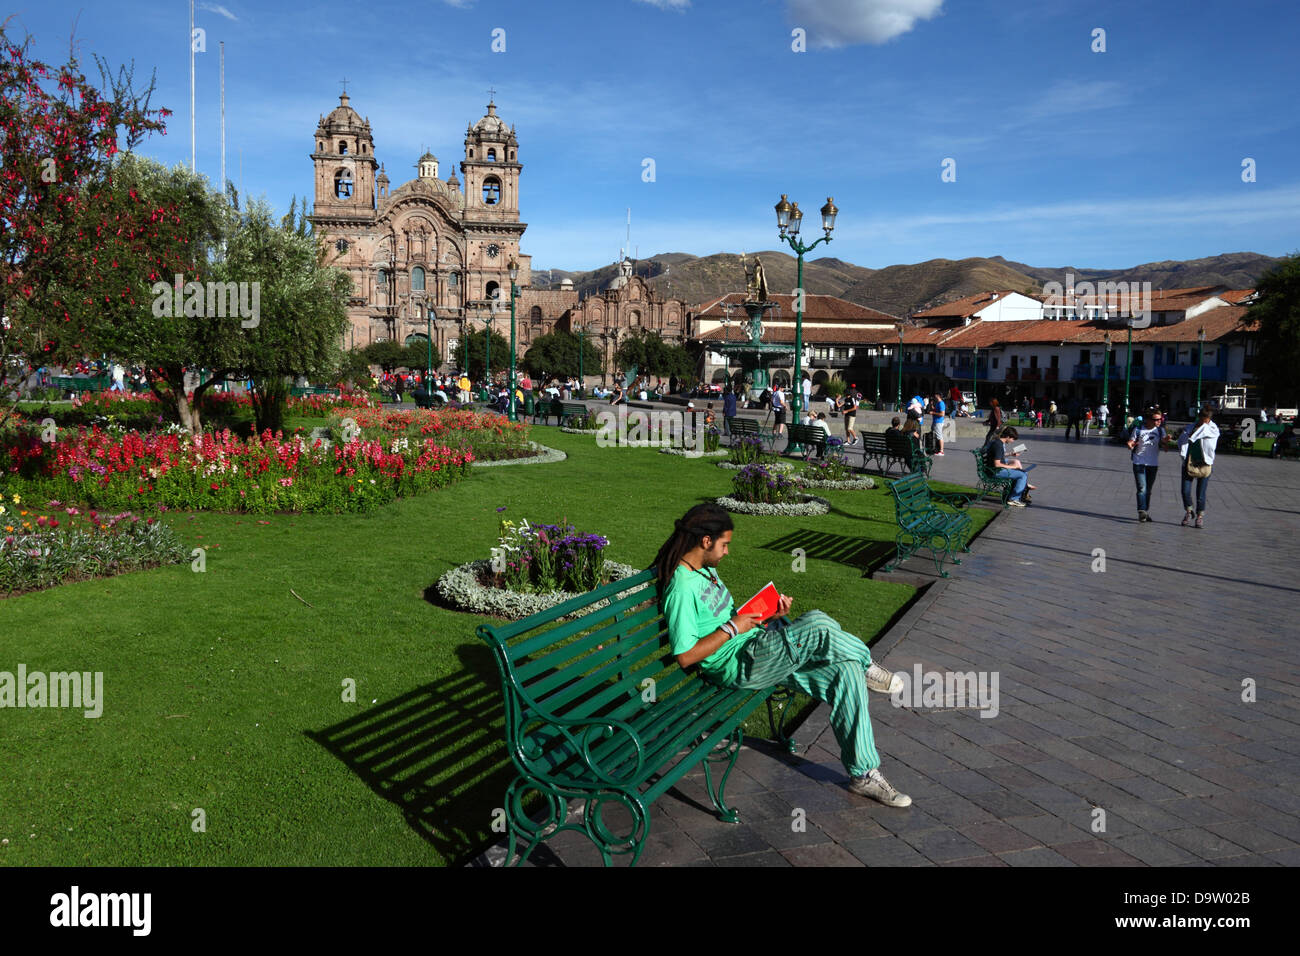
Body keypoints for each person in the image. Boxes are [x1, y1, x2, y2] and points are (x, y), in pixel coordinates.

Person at [656, 504, 912, 807]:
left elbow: (730, 624)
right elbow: (685, 655)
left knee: (846, 674)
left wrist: (764, 616)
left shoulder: (705, 571)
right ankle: (867, 662)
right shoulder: (682, 587)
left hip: (758, 649)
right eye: (725, 545)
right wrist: (732, 627)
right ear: (706, 542)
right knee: (817, 622)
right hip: (739, 665)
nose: (727, 552)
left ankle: (864, 774)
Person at [1178, 408, 1219, 528]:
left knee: (1200, 493)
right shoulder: (1191, 427)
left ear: (1209, 419)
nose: (1203, 423)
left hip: (1204, 463)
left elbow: (1205, 432)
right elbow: (1183, 439)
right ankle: (1189, 511)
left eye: (1206, 420)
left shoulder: (1212, 429)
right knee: (1185, 491)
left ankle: (1200, 516)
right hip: (1189, 462)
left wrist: (1194, 435)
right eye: (1202, 420)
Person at [1126, 406, 1167, 523]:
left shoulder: (1160, 431)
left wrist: (1165, 442)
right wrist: (1130, 444)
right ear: (1148, 420)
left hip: (1153, 464)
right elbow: (1131, 442)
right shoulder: (1138, 429)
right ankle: (1141, 511)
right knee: (1142, 488)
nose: (1159, 421)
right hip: (1139, 462)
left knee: (1148, 490)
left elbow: (1165, 448)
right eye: (1156, 419)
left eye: (1160, 419)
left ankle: (1145, 512)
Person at [982, 426, 1033, 507]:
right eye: (1012, 439)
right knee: (1022, 474)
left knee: (1023, 472)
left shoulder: (998, 442)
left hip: (993, 469)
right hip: (995, 472)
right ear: (1008, 437)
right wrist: (1013, 467)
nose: (1012, 441)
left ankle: (1019, 493)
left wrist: (1010, 454)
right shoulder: (998, 445)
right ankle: (1014, 499)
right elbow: (997, 464)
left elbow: (999, 456)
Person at [930, 392, 947, 456]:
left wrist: (933, 413)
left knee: (939, 436)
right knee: (935, 435)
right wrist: (932, 406)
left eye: (935, 395)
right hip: (935, 421)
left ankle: (941, 451)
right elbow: (936, 410)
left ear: (938, 396)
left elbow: (942, 414)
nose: (934, 396)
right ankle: (937, 449)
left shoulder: (941, 403)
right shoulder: (938, 403)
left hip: (938, 422)